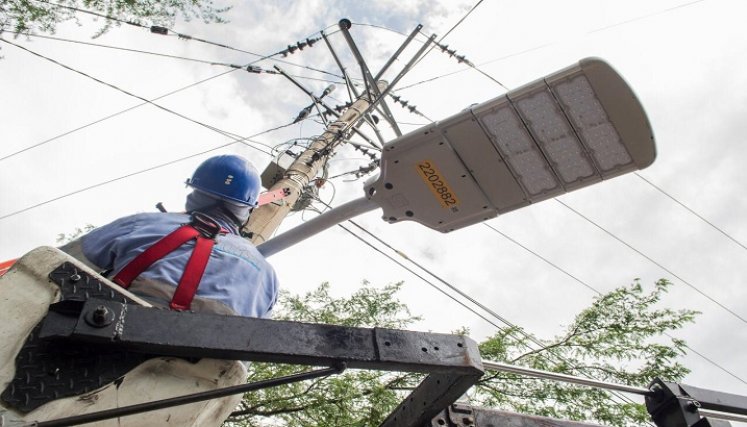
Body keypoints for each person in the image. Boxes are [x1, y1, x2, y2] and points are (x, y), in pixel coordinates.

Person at [60, 154, 278, 318]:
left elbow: (54, 266)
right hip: (196, 374)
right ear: (247, 209)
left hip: (102, 342)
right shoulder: (267, 276)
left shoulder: (143, 223)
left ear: (195, 193)